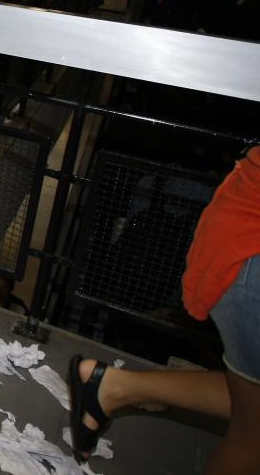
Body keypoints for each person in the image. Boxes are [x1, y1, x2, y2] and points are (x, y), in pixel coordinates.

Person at [68, 146, 260, 472]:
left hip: (235, 242)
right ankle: (115, 387)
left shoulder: (149, 184)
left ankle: (114, 386)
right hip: (247, 252)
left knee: (251, 406)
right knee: (253, 437)